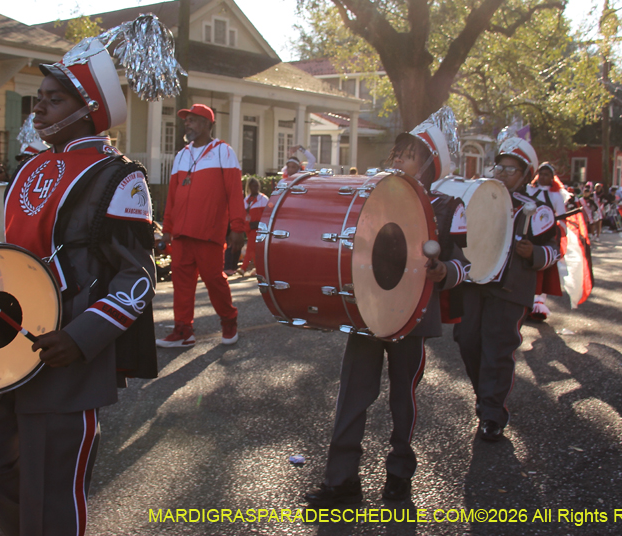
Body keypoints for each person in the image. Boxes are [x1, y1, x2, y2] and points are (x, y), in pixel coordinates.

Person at [0, 24, 167, 536]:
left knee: (54, 485)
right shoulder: (30, 167)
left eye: (53, 100)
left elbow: (138, 278)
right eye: (39, 100)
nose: (39, 110)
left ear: (88, 109)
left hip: (67, 349)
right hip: (8, 341)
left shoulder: (119, 177)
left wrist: (80, 339)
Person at [305, 114, 469, 507]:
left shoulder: (447, 207)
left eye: (409, 154)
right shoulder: (373, 194)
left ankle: (399, 474)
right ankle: (341, 479)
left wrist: (444, 269)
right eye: (397, 150)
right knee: (352, 395)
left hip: (411, 316)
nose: (398, 157)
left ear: (430, 165)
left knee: (403, 399)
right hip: (367, 311)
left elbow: (466, 267)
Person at [454, 132, 560, 442]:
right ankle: (484, 396)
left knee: (498, 350)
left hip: (510, 288)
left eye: (510, 170)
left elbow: (553, 251)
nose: (501, 174)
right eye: (498, 168)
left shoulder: (538, 210)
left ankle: (492, 412)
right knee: (467, 341)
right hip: (474, 282)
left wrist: (534, 253)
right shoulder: (479, 197)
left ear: (526, 174)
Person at [156, 103, 247, 347]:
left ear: (208, 124)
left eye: (193, 120)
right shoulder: (181, 155)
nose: (187, 123)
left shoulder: (223, 151)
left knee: (214, 281)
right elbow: (172, 196)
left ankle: (229, 320)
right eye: (186, 120)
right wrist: (167, 229)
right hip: (182, 234)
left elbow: (234, 193)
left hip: (209, 233)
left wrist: (238, 227)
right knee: (181, 284)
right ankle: (184, 331)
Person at [525, 162, 568, 322]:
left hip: (546, 236)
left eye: (546, 175)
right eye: (541, 174)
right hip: (528, 234)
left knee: (543, 268)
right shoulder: (529, 190)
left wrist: (558, 236)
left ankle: (539, 303)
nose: (543, 177)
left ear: (552, 177)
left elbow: (562, 218)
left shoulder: (556, 196)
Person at [240, 177, 268, 276]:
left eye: (257, 185)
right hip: (248, 227)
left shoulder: (263, 199)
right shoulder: (247, 199)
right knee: (254, 250)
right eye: (253, 186)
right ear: (249, 187)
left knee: (250, 247)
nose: (255, 187)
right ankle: (259, 269)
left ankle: (243, 268)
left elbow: (267, 215)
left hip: (257, 228)